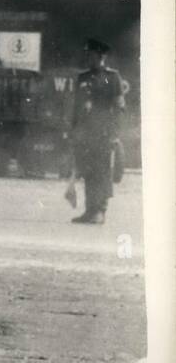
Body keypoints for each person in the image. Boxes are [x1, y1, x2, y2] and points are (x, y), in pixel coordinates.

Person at [68, 37, 126, 224]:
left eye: (91, 55)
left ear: (101, 56)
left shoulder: (112, 77)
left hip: (103, 134)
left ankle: (100, 211)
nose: (88, 58)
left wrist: (114, 135)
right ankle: (89, 210)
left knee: (102, 172)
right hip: (85, 134)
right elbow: (76, 108)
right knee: (88, 171)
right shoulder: (82, 77)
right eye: (87, 55)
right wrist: (73, 131)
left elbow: (119, 108)